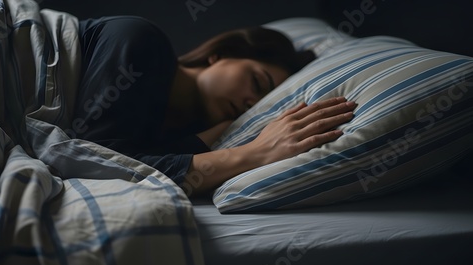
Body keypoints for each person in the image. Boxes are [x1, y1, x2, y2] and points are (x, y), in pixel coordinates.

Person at [71, 16, 357, 196]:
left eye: (258, 106)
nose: (250, 103)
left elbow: (130, 164)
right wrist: (255, 153)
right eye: (257, 83)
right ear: (221, 55)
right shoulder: (141, 40)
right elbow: (94, 161)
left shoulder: (174, 137)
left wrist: (210, 138)